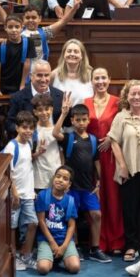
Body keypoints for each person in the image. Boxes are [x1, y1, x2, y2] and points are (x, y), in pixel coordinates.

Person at [53, 100, 111, 263]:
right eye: (77, 120)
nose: (81, 123)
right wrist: (64, 113)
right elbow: (55, 133)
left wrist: (99, 183)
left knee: (96, 214)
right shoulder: (68, 138)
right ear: (72, 121)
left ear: (88, 120)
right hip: (71, 187)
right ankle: (75, 246)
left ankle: (95, 249)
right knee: (72, 216)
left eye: (84, 119)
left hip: (88, 187)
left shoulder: (93, 139)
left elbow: (96, 163)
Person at [109, 80, 140, 263]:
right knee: (129, 208)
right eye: (133, 94)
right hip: (129, 170)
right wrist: (122, 166)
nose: (137, 97)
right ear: (127, 96)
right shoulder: (121, 117)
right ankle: (131, 245)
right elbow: (113, 141)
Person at [85, 68, 124, 254]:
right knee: (96, 196)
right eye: (96, 78)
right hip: (91, 155)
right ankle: (98, 241)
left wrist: (111, 137)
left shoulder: (118, 102)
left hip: (111, 154)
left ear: (109, 79)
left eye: (103, 78)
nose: (100, 81)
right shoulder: (85, 102)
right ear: (91, 81)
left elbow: (125, 125)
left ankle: (116, 241)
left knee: (113, 197)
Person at [3, 111, 40, 272]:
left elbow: (26, 165)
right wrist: (14, 192)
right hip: (16, 194)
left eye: (31, 128)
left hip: (28, 194)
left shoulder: (29, 143)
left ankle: (26, 255)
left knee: (33, 223)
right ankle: (12, 257)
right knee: (12, 226)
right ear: (17, 128)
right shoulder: (11, 146)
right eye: (24, 127)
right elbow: (8, 171)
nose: (28, 131)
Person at [35, 165, 80, 275]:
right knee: (43, 269)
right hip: (46, 239)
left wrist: (64, 247)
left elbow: (71, 226)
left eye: (65, 179)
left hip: (64, 239)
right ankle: (48, 256)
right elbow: (41, 221)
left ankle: (59, 256)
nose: (60, 180)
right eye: (58, 176)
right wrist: (52, 243)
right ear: (54, 178)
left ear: (69, 184)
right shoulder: (43, 195)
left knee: (74, 267)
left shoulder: (70, 200)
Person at [5, 60, 64, 137]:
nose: (43, 80)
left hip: (55, 141)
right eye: (39, 75)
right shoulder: (17, 98)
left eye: (46, 75)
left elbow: (66, 124)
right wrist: (25, 132)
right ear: (31, 76)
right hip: (28, 141)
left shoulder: (60, 95)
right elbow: (10, 124)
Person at [0, 15, 36, 98]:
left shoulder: (29, 42)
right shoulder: (1, 46)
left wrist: (22, 85)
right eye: (10, 27)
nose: (14, 30)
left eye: (17, 27)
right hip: (3, 86)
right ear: (5, 28)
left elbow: (27, 64)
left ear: (22, 27)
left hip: (21, 84)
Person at [31, 94, 61, 192]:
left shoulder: (57, 130)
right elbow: (28, 157)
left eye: (47, 109)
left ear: (51, 109)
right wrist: (38, 152)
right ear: (35, 112)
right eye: (40, 110)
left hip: (56, 177)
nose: (44, 113)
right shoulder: (32, 131)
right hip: (39, 179)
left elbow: (62, 153)